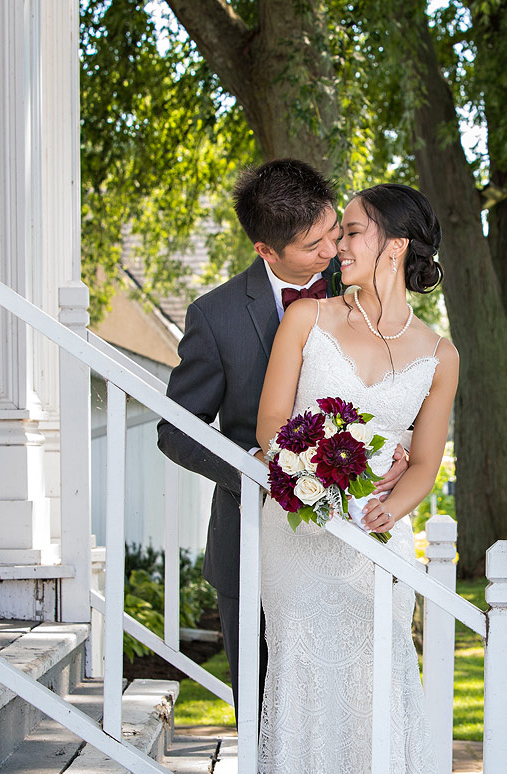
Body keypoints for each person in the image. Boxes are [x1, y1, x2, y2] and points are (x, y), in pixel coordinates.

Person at [156, 159, 409, 714]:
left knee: (351, 704)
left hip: (350, 541)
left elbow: (399, 381)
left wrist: (400, 446)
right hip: (250, 537)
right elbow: (176, 430)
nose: (331, 254)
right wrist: (254, 467)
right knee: (265, 707)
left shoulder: (364, 288)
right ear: (266, 251)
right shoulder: (215, 316)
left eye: (333, 234)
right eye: (312, 245)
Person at [254, 183, 458, 774]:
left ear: (394, 246)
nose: (337, 244)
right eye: (338, 232)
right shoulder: (306, 319)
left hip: (377, 543)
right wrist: (321, 468)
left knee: (379, 682)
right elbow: (270, 430)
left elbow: (424, 463)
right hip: (299, 535)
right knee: (306, 680)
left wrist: (387, 508)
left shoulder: (441, 355)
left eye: (352, 231)